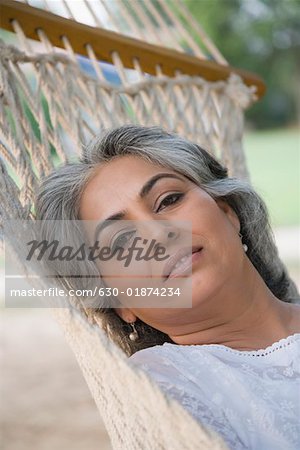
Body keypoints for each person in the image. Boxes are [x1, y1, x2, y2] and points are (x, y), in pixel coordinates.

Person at [35, 124, 300, 450]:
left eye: (168, 200)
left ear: (227, 212)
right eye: (121, 240)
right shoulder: (163, 391)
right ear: (119, 303)